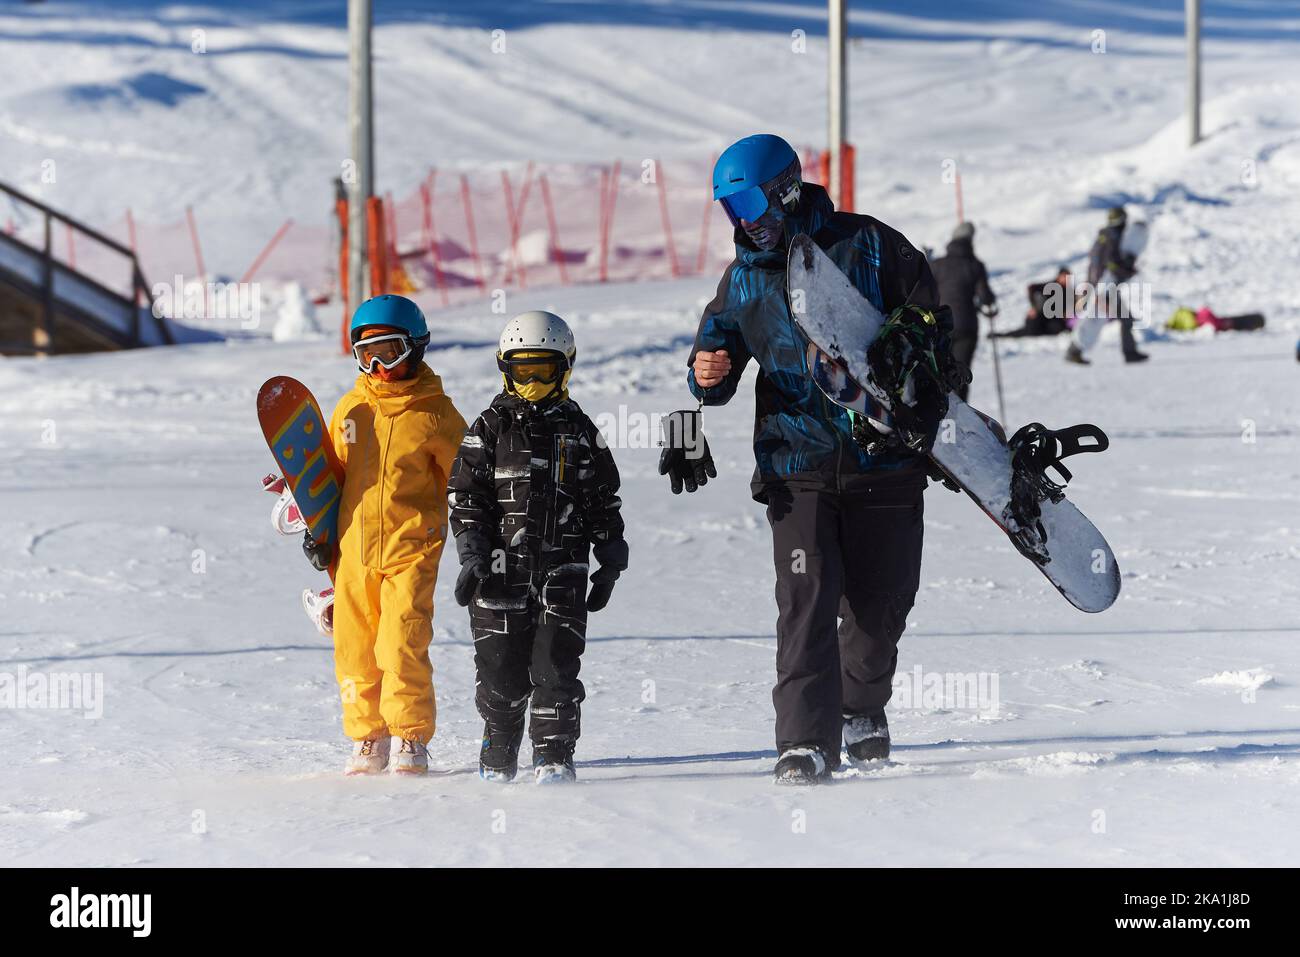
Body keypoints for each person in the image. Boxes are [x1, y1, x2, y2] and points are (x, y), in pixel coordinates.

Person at [668, 133, 960, 785]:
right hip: (794, 464)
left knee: (881, 605)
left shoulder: (873, 245)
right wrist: (707, 374)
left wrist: (914, 349)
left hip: (884, 460)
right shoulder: (744, 277)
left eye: (753, 204)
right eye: (733, 210)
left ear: (787, 190)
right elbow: (714, 354)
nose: (747, 222)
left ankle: (861, 707)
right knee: (807, 599)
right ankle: (803, 740)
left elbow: (935, 326)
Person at [448, 311, 627, 784]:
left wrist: (610, 556)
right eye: (521, 369)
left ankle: (553, 755)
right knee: (500, 670)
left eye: (542, 370)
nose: (531, 381)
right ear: (504, 369)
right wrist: (472, 551)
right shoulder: (488, 428)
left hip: (563, 569)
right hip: (498, 571)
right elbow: (466, 496)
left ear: (564, 368)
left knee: (556, 668)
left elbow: (602, 498)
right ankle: (499, 743)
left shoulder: (580, 430)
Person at [307, 295, 468, 776]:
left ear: (416, 349)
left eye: (390, 351)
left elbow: (467, 477)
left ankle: (410, 736)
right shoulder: (352, 409)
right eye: (366, 354)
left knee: (401, 642)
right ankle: (367, 736)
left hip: (412, 549)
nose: (378, 365)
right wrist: (318, 529)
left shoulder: (436, 414)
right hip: (353, 549)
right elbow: (329, 474)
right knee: (354, 645)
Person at [1065, 206, 1149, 364]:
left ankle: (1130, 352)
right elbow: (1112, 264)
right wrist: (1128, 267)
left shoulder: (1103, 237)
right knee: (1094, 320)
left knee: (1122, 318)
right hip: (1104, 287)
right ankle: (1074, 351)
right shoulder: (1113, 237)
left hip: (1102, 286)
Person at [929, 221, 997, 400]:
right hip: (967, 326)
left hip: (941, 326)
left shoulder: (937, 265)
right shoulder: (975, 265)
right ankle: (961, 418)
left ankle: (938, 413)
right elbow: (985, 297)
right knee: (960, 373)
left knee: (938, 370)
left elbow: (926, 293)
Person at [992, 265, 1074, 338]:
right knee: (1030, 330)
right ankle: (997, 335)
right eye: (1065, 277)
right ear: (1059, 276)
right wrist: (1034, 307)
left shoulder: (1069, 291)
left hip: (1054, 320)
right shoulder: (1050, 285)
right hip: (1040, 316)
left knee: (1057, 328)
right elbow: (1031, 287)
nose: (1067, 279)